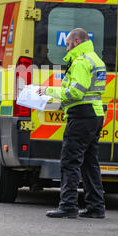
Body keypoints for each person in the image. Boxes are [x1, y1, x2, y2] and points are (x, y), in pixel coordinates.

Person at [38, 28, 106, 219]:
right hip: (94, 114)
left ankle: (68, 206)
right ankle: (96, 207)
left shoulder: (81, 62)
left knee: (70, 161)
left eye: (67, 44)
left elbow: (76, 92)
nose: (66, 49)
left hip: (82, 116)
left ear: (76, 42)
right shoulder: (95, 58)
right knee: (90, 163)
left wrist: (48, 92)